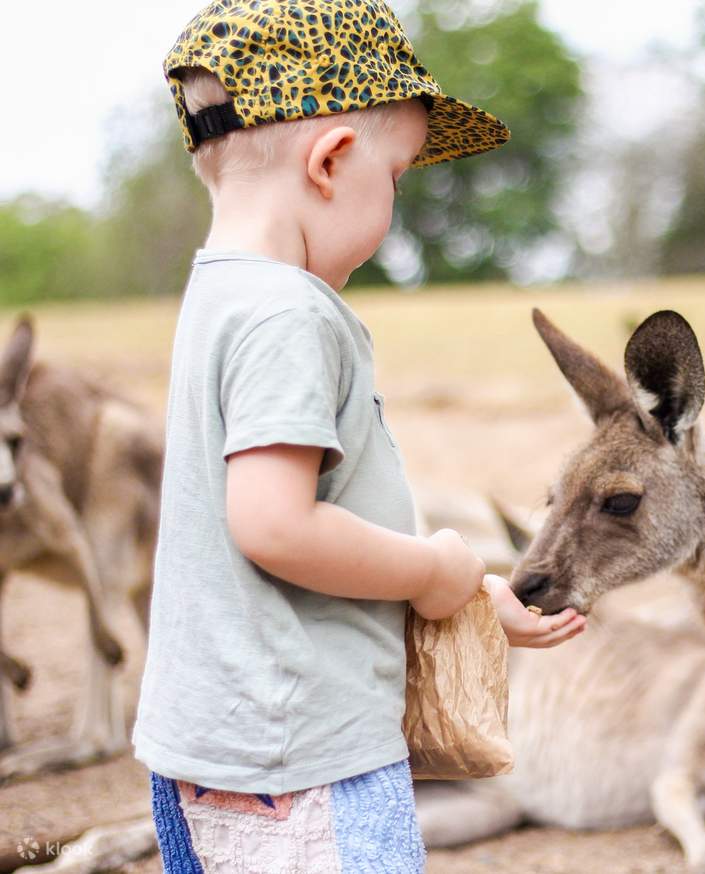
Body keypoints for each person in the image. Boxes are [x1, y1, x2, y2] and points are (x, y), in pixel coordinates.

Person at [132, 2, 584, 870]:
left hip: (208, 749)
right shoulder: (290, 314)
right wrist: (431, 569)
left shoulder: (219, 295)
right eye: (400, 175)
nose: (397, 201)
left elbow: (311, 526)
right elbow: (273, 527)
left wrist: (468, 593)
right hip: (307, 760)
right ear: (333, 160)